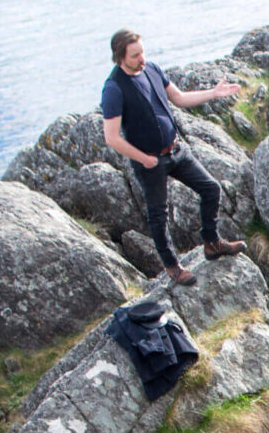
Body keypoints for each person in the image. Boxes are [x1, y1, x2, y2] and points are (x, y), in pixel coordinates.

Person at [101, 29, 247, 285]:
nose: (142, 58)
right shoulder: (114, 88)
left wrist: (213, 93)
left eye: (142, 52)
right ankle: (173, 267)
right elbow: (111, 137)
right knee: (158, 215)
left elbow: (179, 98)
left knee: (211, 188)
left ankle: (212, 243)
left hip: (176, 150)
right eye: (135, 55)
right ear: (119, 57)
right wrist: (143, 159)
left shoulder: (152, 69)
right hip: (150, 161)